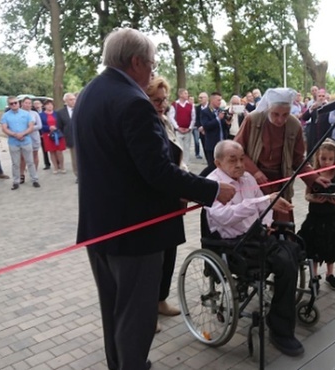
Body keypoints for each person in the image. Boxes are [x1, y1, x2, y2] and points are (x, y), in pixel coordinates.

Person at [73, 28, 235, 370]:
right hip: (135, 232)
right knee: (136, 315)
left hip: (99, 226)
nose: (151, 71)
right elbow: (158, 172)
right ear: (135, 62)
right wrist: (212, 189)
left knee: (113, 309)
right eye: (150, 63)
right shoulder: (133, 102)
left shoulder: (90, 93)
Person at [205, 140, 304, 357]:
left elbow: (263, 207)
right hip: (233, 245)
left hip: (258, 236)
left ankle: (279, 319)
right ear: (218, 162)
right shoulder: (212, 184)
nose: (240, 164)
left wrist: (267, 223)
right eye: (233, 160)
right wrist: (262, 203)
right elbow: (225, 217)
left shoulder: (248, 178)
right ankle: (281, 330)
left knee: (294, 250)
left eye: (242, 159)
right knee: (285, 261)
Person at [235, 87, 330, 223]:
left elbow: (298, 159)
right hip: (254, 183)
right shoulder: (253, 120)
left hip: (281, 183)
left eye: (285, 115)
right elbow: (237, 151)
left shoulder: (293, 125)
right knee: (255, 226)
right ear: (268, 108)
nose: (280, 119)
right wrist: (255, 172)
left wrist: (314, 177)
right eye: (275, 114)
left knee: (282, 227)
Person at [145, 76, 188, 333]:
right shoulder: (144, 124)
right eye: (155, 100)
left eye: (163, 100)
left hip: (173, 198)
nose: (161, 105)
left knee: (170, 253)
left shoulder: (165, 121)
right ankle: (147, 311)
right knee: (154, 260)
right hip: (156, 202)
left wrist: (184, 184)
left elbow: (177, 156)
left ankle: (160, 300)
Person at [297, 139, 335, 291]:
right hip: (314, 217)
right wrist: (314, 199)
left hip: (331, 217)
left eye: (330, 159)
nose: (327, 162)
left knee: (331, 246)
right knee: (313, 246)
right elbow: (307, 195)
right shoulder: (313, 174)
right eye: (323, 158)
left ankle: (330, 274)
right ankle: (314, 275)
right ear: (318, 157)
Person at [0, 96, 40, 190]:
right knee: (15, 163)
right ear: (9, 105)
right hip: (13, 142)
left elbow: (31, 126)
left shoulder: (26, 114)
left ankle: (34, 180)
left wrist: (23, 134)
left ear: (19, 103)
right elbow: (4, 128)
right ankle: (16, 181)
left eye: (15, 102)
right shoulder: (5, 115)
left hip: (26, 140)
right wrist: (14, 134)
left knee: (30, 161)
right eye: (11, 103)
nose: (14, 105)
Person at [19, 98, 43, 183]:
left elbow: (39, 125)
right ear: (22, 103)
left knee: (34, 155)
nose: (28, 105)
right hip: (23, 137)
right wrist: (25, 131)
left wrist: (30, 128)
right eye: (26, 103)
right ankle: (21, 174)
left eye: (29, 103)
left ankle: (34, 173)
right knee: (23, 157)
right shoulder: (18, 113)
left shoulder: (34, 113)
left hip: (34, 137)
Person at [40, 99, 66, 174]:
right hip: (47, 135)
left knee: (59, 151)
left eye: (51, 104)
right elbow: (40, 125)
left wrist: (56, 127)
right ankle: (55, 167)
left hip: (58, 134)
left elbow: (61, 123)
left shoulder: (57, 113)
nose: (50, 106)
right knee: (52, 151)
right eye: (48, 104)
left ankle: (62, 166)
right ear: (44, 106)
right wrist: (48, 128)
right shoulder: (41, 115)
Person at [56, 93, 78, 180]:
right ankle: (78, 175)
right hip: (71, 138)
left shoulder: (81, 109)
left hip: (83, 137)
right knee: (75, 158)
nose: (73, 101)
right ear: (65, 101)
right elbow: (59, 126)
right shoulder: (61, 113)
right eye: (71, 100)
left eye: (74, 99)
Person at [301, 88, 328, 154]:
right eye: (319, 96)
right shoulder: (313, 106)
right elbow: (304, 118)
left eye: (323, 96)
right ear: (316, 97)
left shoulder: (328, 107)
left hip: (324, 135)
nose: (321, 98)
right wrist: (310, 109)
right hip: (313, 135)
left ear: (325, 97)